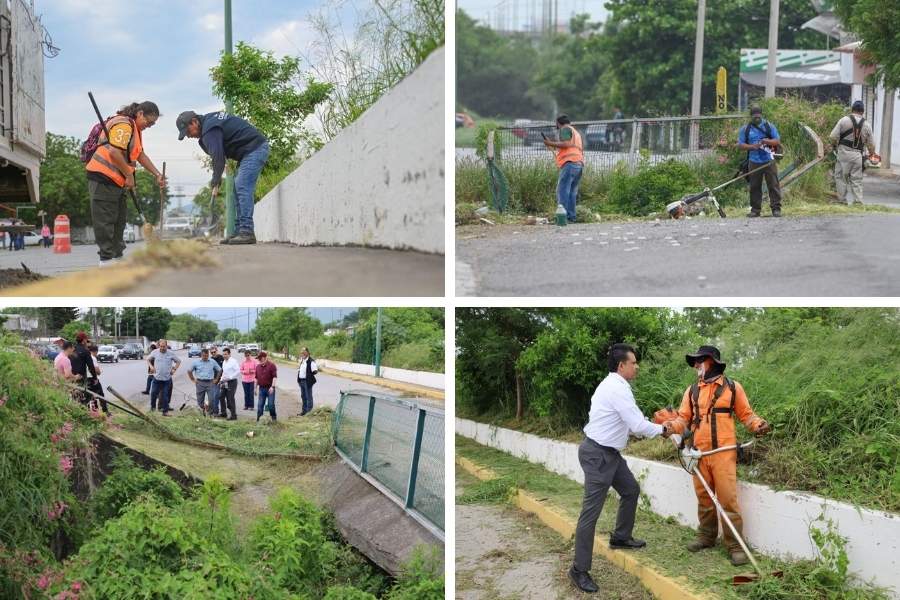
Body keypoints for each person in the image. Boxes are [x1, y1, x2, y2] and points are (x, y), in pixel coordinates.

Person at [654, 346, 770, 566]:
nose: (696, 366)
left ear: (711, 361)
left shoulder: (733, 388)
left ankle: (735, 546)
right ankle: (706, 537)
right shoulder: (692, 391)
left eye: (699, 361)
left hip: (724, 454)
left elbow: (747, 415)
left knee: (728, 500)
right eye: (695, 362)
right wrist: (669, 427)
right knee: (705, 499)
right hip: (698, 455)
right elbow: (683, 419)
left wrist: (758, 425)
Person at [569, 343, 670, 594]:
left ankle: (621, 537)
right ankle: (578, 570)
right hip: (597, 455)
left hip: (609, 454)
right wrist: (665, 430)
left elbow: (631, 421)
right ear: (621, 365)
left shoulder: (617, 386)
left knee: (630, 490)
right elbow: (637, 425)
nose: (637, 366)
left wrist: (653, 426)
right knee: (590, 514)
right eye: (634, 363)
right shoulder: (616, 388)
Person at [85, 101, 167, 266]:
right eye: (149, 122)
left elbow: (140, 155)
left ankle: (117, 257)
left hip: (117, 180)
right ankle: (106, 261)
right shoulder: (124, 124)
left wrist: (157, 174)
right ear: (140, 113)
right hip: (102, 177)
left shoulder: (135, 129)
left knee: (119, 221)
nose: (149, 126)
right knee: (106, 222)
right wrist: (129, 175)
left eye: (153, 124)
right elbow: (114, 151)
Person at [175, 110, 270, 245]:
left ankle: (247, 232)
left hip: (255, 149)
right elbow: (219, 156)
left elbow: (218, 158)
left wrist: (216, 180)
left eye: (188, 131)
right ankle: (239, 231)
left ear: (195, 122)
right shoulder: (208, 125)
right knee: (237, 190)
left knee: (242, 186)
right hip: (247, 153)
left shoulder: (209, 129)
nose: (189, 136)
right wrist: (217, 178)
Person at [737, 105, 783, 218]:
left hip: (769, 160)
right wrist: (752, 147)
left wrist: (766, 141)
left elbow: (777, 141)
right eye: (754, 117)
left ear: (761, 115)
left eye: (758, 117)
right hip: (753, 161)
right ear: (751, 117)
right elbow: (740, 145)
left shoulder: (769, 126)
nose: (757, 119)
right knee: (754, 186)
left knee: (773, 185)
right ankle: (755, 210)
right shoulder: (745, 129)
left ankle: (776, 209)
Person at [829, 100, 876, 205]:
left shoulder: (844, 120)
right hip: (857, 155)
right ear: (862, 111)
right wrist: (872, 154)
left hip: (843, 153)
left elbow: (832, 136)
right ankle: (858, 201)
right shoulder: (867, 125)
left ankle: (842, 200)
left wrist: (834, 145)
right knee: (857, 179)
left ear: (852, 109)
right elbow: (871, 145)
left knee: (841, 176)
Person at [543, 115, 584, 223]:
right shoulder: (575, 132)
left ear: (558, 123)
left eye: (556, 124)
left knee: (562, 191)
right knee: (571, 192)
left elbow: (566, 144)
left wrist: (550, 143)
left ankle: (562, 218)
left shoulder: (565, 129)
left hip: (569, 163)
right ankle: (571, 217)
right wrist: (551, 145)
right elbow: (569, 146)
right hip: (578, 163)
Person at [147, 339, 181, 415]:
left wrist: (174, 369)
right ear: (159, 346)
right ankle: (152, 409)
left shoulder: (170, 353)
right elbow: (148, 359)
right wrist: (151, 367)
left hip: (166, 379)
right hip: (157, 378)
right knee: (153, 393)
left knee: (165, 396)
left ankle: (165, 411)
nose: (162, 348)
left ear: (166, 346)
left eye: (164, 346)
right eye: (161, 346)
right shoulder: (155, 352)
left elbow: (178, 361)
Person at [187, 348, 221, 415]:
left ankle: (210, 414)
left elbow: (219, 370)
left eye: (206, 355)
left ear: (208, 355)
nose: (205, 357)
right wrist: (193, 379)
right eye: (203, 355)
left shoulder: (212, 361)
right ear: (201, 355)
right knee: (200, 401)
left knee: (212, 400)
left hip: (210, 383)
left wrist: (217, 379)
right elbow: (189, 370)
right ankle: (202, 414)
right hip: (200, 383)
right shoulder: (196, 362)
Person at [70, 333, 98, 398]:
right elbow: (90, 366)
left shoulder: (72, 350)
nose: (86, 341)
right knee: (82, 395)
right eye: (86, 339)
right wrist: (95, 378)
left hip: (71, 376)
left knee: (73, 394)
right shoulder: (86, 351)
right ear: (83, 340)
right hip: (81, 377)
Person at [254, 352, 278, 422]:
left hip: (270, 388)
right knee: (260, 405)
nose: (259, 360)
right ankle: (259, 420)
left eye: (260, 359)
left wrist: (272, 387)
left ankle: (273, 418)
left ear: (264, 358)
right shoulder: (258, 367)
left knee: (271, 405)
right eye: (258, 359)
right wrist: (255, 388)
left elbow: (274, 377)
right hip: (261, 389)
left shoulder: (272, 366)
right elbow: (256, 378)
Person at [219, 348, 240, 420]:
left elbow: (238, 371)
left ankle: (234, 415)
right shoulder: (224, 362)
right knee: (221, 397)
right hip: (224, 382)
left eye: (226, 354)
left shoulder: (233, 361)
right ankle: (223, 413)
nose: (224, 356)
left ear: (229, 354)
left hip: (232, 382)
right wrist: (221, 380)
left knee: (230, 399)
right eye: (223, 354)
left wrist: (230, 377)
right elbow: (224, 372)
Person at [87, 344, 108, 414]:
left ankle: (94, 411)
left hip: (87, 379)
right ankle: (105, 411)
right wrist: (99, 372)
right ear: (95, 351)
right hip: (93, 379)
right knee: (101, 395)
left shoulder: (86, 356)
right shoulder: (93, 358)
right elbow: (97, 371)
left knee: (91, 396)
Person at [297, 347, 318, 416]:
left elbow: (315, 371)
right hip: (301, 381)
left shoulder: (311, 361)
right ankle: (304, 411)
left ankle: (309, 413)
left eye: (304, 352)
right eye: (302, 352)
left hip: (307, 381)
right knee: (303, 396)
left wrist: (308, 375)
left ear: (307, 353)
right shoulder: (302, 360)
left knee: (308, 397)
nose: (302, 353)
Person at [209, 346, 225, 416]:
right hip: (214, 380)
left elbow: (224, 369)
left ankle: (223, 412)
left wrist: (222, 379)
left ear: (217, 351)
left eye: (214, 352)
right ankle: (215, 411)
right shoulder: (210, 360)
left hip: (222, 379)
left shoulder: (222, 358)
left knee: (222, 396)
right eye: (211, 352)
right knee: (215, 395)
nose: (213, 353)